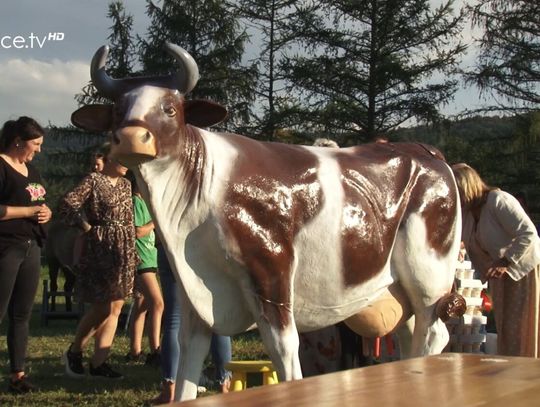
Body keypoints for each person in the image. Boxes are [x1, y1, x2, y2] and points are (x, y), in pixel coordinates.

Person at [60, 143, 139, 379]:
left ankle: (99, 363)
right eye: (123, 159)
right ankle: (75, 351)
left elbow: (128, 217)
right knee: (102, 306)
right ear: (110, 159)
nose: (127, 165)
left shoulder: (126, 184)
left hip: (123, 249)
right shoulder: (93, 180)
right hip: (100, 247)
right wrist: (86, 227)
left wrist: (132, 250)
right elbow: (67, 204)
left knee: (116, 307)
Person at [452, 163, 540, 357]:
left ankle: (529, 370)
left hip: (523, 271)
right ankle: (513, 370)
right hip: (499, 276)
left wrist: (505, 261)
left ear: (466, 186)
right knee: (506, 329)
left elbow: (528, 233)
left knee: (524, 328)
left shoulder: (498, 200)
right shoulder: (467, 215)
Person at [0, 116, 52, 393]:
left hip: (31, 247)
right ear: (18, 141)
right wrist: (30, 212)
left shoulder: (31, 171)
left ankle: (17, 375)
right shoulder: (1, 166)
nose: (39, 150)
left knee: (22, 315)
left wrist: (46, 212)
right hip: (5, 247)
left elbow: (40, 201)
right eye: (36, 144)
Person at [151, 244, 232, 404]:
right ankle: (224, 386)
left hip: (170, 246)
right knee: (216, 316)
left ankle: (170, 390)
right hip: (205, 245)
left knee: (173, 320)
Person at [125, 175, 164, 366]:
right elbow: (138, 231)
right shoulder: (136, 202)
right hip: (141, 261)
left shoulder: (147, 204)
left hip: (150, 258)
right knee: (158, 304)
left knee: (142, 306)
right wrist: (156, 221)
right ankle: (156, 350)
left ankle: (135, 351)